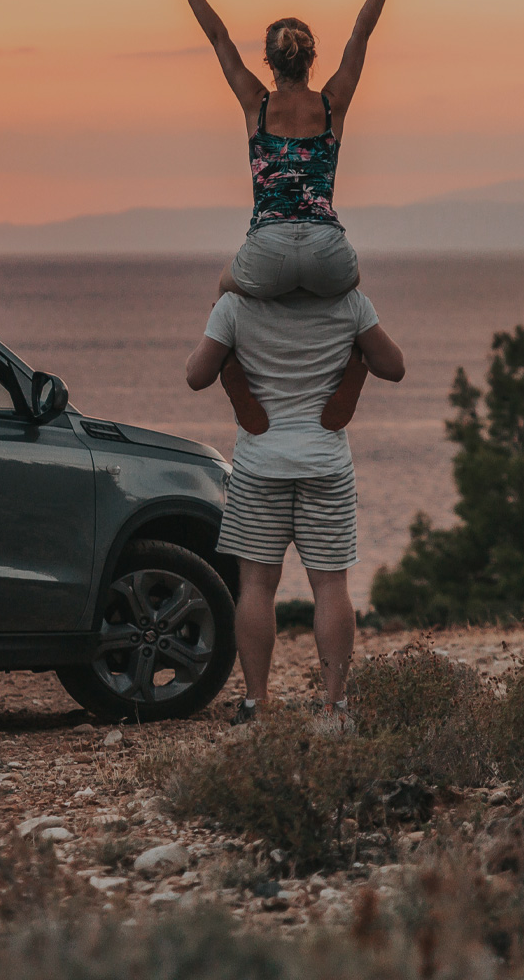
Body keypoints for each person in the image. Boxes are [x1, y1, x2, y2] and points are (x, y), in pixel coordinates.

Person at [145, 0, 425, 436]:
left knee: (223, 291)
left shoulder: (256, 105)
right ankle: (352, 374)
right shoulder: (333, 104)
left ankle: (236, 380)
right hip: (328, 252)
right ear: (312, 59)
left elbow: (219, 38)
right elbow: (361, 35)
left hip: (268, 248)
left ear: (269, 64)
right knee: (352, 305)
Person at [185, 287, 405, 727]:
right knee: (330, 586)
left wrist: (224, 330)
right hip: (325, 461)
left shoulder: (235, 305)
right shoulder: (348, 302)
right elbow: (395, 367)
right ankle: (335, 706)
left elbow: (195, 375)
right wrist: (357, 345)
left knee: (257, 587)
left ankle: (256, 704)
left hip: (259, 463)